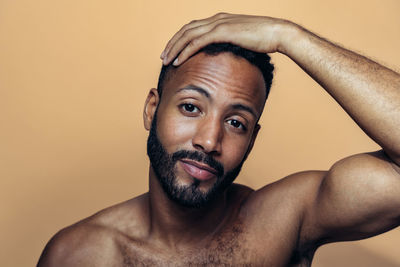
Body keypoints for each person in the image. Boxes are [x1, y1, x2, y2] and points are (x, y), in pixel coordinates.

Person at [37, 13, 400, 266]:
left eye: (236, 123)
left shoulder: (284, 222)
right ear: (152, 110)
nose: (210, 141)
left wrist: (289, 36)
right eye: (191, 107)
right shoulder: (79, 255)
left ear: (253, 139)